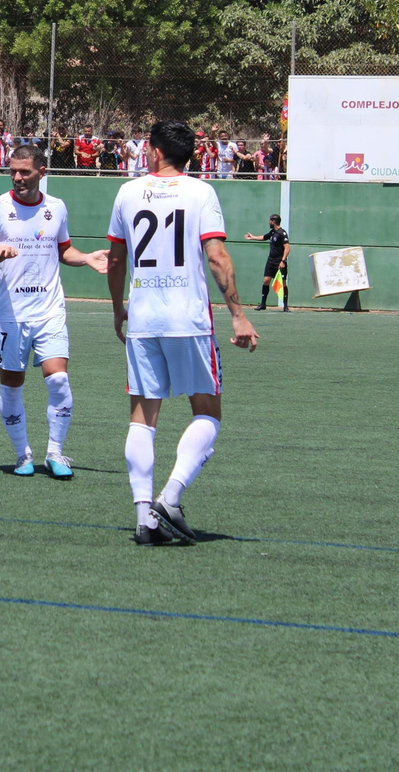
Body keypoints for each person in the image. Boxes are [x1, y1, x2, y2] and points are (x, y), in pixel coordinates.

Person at [106, 119, 258, 545]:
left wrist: (118, 308)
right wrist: (238, 315)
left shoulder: (127, 192)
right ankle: (169, 498)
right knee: (207, 412)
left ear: (155, 152)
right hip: (188, 320)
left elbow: (115, 260)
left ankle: (144, 518)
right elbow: (217, 257)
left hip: (143, 320)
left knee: (142, 416)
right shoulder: (201, 192)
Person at [0, 145, 109, 478]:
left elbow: (64, 250)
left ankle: (55, 453)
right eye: (13, 171)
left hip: (50, 309)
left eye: (25, 171)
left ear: (41, 172)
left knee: (59, 380)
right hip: (10, 313)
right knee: (12, 385)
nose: (18, 177)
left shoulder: (56, 207)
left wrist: (86, 258)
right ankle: (22, 455)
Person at [245, 213, 291, 311]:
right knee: (266, 281)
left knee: (283, 284)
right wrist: (252, 237)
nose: (268, 222)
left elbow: (287, 248)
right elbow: (264, 237)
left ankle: (285, 306)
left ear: (273, 221)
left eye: (270, 220)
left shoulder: (282, 233)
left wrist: (283, 261)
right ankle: (263, 304)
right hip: (271, 261)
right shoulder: (272, 232)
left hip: (280, 262)